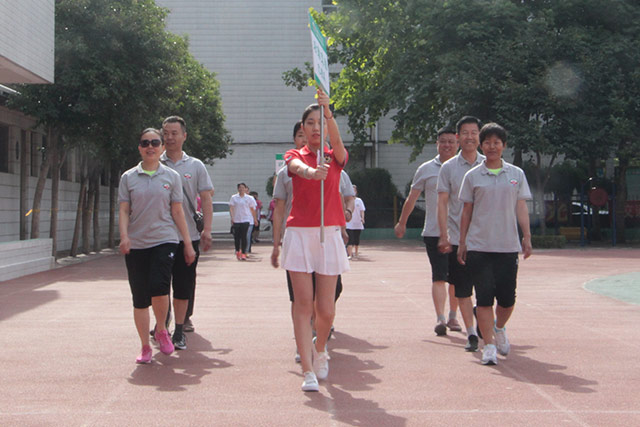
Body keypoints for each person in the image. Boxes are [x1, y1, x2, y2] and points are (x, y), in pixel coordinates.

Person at [271, 88, 349, 392]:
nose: (316, 128)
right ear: (302, 129)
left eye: (320, 123)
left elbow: (338, 144)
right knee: (303, 304)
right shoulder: (294, 156)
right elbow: (295, 168)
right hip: (300, 235)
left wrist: (328, 112)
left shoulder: (335, 156)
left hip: (329, 235)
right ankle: (307, 370)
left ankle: (320, 348)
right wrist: (311, 173)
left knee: (325, 310)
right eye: (310, 123)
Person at [118, 128, 196, 364]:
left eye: (154, 143)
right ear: (139, 148)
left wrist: (187, 243)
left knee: (159, 286)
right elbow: (124, 210)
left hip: (165, 239)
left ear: (162, 147)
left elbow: (177, 211)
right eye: (145, 143)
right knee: (140, 297)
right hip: (137, 243)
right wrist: (124, 236)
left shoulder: (171, 177)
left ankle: (161, 328)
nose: (150, 147)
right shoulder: (128, 177)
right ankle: (145, 346)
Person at [457, 123, 532, 365]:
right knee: (484, 298)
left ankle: (499, 328)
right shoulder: (472, 176)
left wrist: (527, 236)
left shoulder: (516, 175)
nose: (492, 147)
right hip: (479, 246)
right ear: (481, 145)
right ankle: (488, 345)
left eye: (496, 143)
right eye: (487, 142)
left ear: (504, 146)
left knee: (507, 300)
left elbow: (521, 206)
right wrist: (462, 242)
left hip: (507, 246)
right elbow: (466, 211)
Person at [394, 127, 461, 335]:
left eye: (451, 141)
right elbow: (412, 198)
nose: (447, 145)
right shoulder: (426, 169)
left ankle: (453, 315)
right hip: (434, 232)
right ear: (437, 144)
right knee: (439, 276)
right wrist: (402, 222)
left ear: (457, 143)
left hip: (460, 232)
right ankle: (440, 317)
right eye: (443, 141)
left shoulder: (465, 168)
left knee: (457, 278)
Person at [159, 115, 214, 348]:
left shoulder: (195, 165)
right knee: (160, 283)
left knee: (184, 282)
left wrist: (207, 230)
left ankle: (181, 324)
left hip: (188, 236)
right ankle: (163, 322)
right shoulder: (154, 162)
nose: (169, 137)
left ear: (184, 136)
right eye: (166, 133)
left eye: (174, 133)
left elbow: (206, 198)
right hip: (160, 236)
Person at [436, 116, 485, 352]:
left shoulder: (490, 164)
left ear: (480, 136)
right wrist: (444, 235)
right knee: (463, 288)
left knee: (487, 288)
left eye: (474, 132)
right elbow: (442, 203)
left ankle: (488, 322)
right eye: (465, 133)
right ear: (458, 137)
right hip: (458, 239)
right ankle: (472, 332)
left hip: (486, 241)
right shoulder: (448, 168)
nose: (469, 137)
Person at [230, 183, 257, 260]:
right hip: (237, 219)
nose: (241, 189)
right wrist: (232, 217)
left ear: (245, 189)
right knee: (237, 237)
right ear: (238, 189)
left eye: (243, 187)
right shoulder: (234, 197)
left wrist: (255, 219)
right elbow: (231, 208)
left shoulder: (249, 198)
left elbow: (252, 209)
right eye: (240, 187)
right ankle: (237, 250)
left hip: (246, 219)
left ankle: (244, 253)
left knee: (244, 236)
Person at [345, 185, 365, 259]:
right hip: (349, 223)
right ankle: (350, 254)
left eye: (354, 190)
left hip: (357, 223)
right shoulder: (346, 200)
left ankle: (356, 253)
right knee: (350, 238)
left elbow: (362, 210)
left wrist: (362, 218)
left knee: (356, 238)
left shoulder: (359, 200)